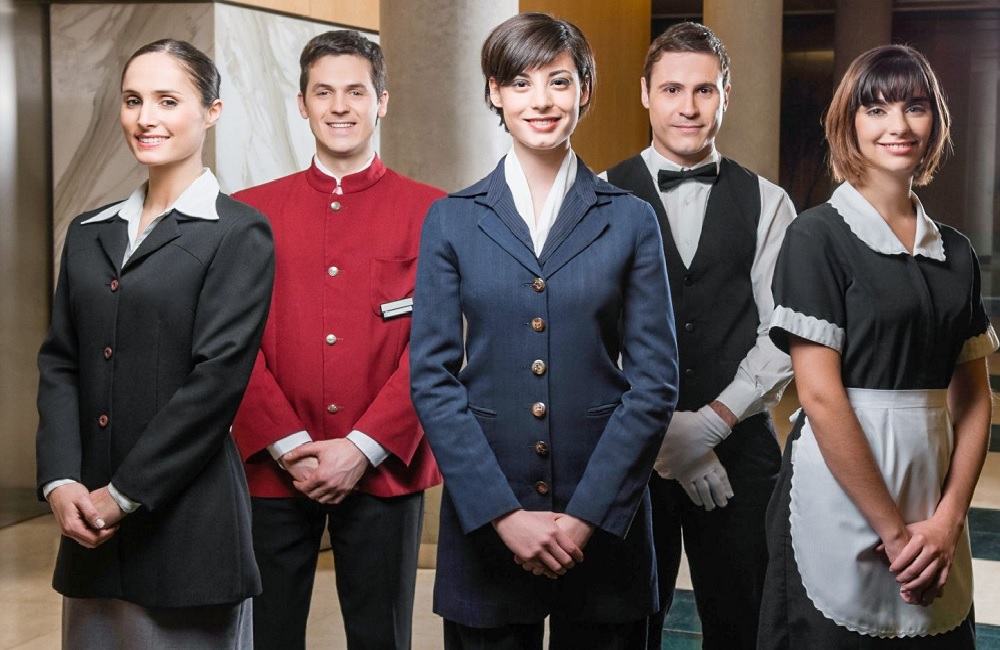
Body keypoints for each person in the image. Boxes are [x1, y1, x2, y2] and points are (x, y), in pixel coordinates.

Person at [409, 12, 679, 649]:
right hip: (487, 512)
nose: (541, 101)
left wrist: (587, 517)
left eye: (559, 82)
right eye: (521, 83)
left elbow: (655, 383)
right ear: (495, 93)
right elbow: (432, 379)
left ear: (584, 90)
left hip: (605, 513)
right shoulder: (452, 219)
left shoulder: (630, 219)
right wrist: (503, 514)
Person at [36, 39, 274, 649]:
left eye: (168, 101)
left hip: (190, 534)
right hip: (90, 529)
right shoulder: (88, 233)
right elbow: (61, 363)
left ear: (212, 111)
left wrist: (123, 496)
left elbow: (216, 381)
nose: (146, 118)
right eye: (133, 100)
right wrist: (60, 481)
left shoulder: (239, 233)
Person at [758, 44, 995, 649]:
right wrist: (894, 534)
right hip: (840, 492)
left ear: (935, 120)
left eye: (915, 107)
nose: (898, 125)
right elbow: (819, 395)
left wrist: (948, 522)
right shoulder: (816, 236)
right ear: (849, 122)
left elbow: (974, 400)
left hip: (932, 492)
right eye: (877, 109)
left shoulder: (957, 253)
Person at [229, 29, 444, 650]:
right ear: (302, 105)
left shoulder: (435, 212)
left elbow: (438, 348)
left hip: (385, 465)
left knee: (382, 638)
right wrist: (288, 443)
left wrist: (361, 447)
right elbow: (230, 344)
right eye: (323, 92)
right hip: (273, 466)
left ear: (382, 102)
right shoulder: (247, 214)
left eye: (356, 91)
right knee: (267, 637)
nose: (340, 106)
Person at [603, 22, 795, 649]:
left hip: (743, 446)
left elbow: (783, 329)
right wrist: (661, 432)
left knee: (745, 624)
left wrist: (711, 422)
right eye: (671, 89)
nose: (687, 107)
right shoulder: (597, 197)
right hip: (626, 448)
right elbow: (590, 337)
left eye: (704, 90)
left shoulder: (769, 201)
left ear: (725, 96)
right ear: (645, 94)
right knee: (624, 626)